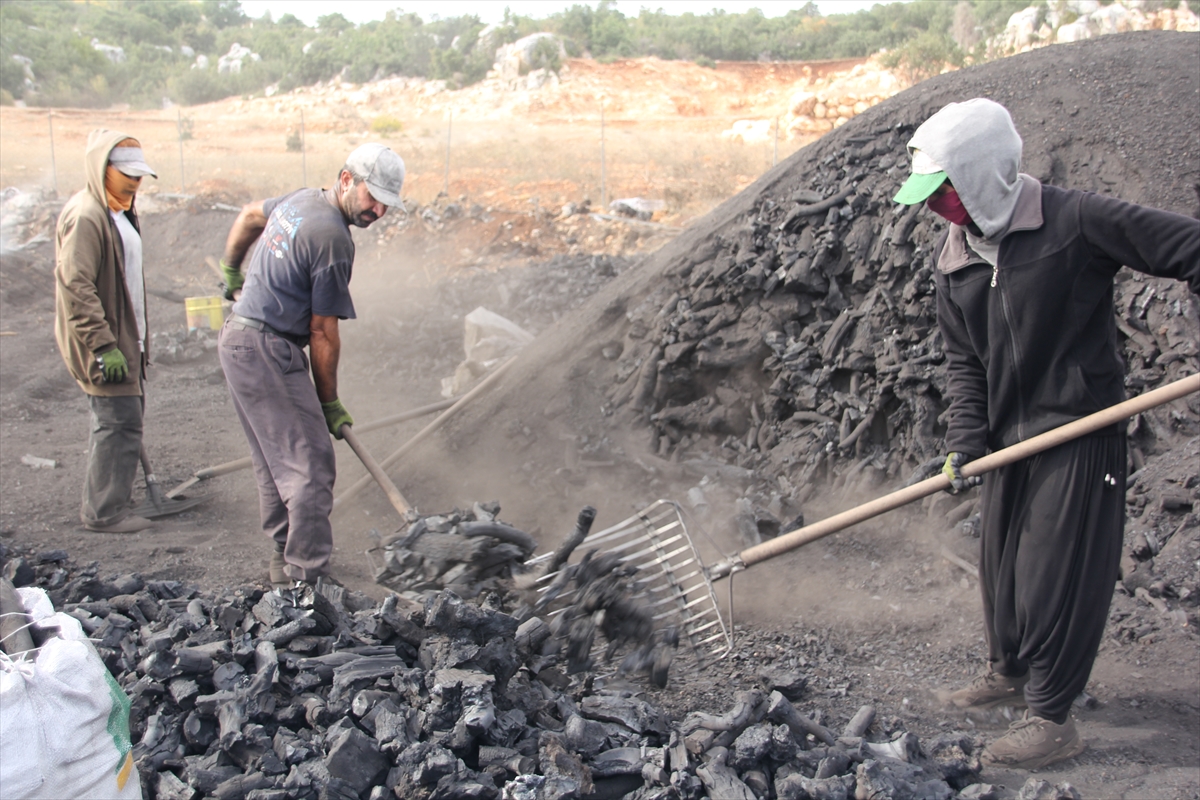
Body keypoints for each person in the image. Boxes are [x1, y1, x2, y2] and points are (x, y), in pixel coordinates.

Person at [893, 98, 1199, 770]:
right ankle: (1009, 674)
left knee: (1053, 576)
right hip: (1011, 438)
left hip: (1080, 426)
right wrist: (967, 443)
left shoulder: (1073, 221)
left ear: (979, 175)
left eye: (942, 192)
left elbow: (1189, 248)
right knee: (1001, 572)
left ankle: (1053, 719)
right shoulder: (954, 261)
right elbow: (965, 365)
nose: (933, 208)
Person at [217, 143, 405, 588]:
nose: (377, 210)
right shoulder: (334, 239)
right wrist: (329, 402)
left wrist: (230, 270)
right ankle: (308, 579)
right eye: (371, 196)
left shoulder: (300, 200)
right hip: (267, 350)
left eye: (386, 204)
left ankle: (284, 562)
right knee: (311, 464)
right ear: (346, 180)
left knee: (274, 462)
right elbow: (323, 333)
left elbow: (247, 216)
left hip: (238, 341)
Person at [54, 131, 158, 533]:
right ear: (102, 169)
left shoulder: (118, 211)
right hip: (105, 341)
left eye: (139, 176)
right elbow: (75, 286)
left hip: (124, 335)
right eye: (126, 174)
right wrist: (103, 345)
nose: (134, 182)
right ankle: (104, 512)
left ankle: (113, 499)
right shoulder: (87, 216)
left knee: (125, 417)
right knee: (118, 420)